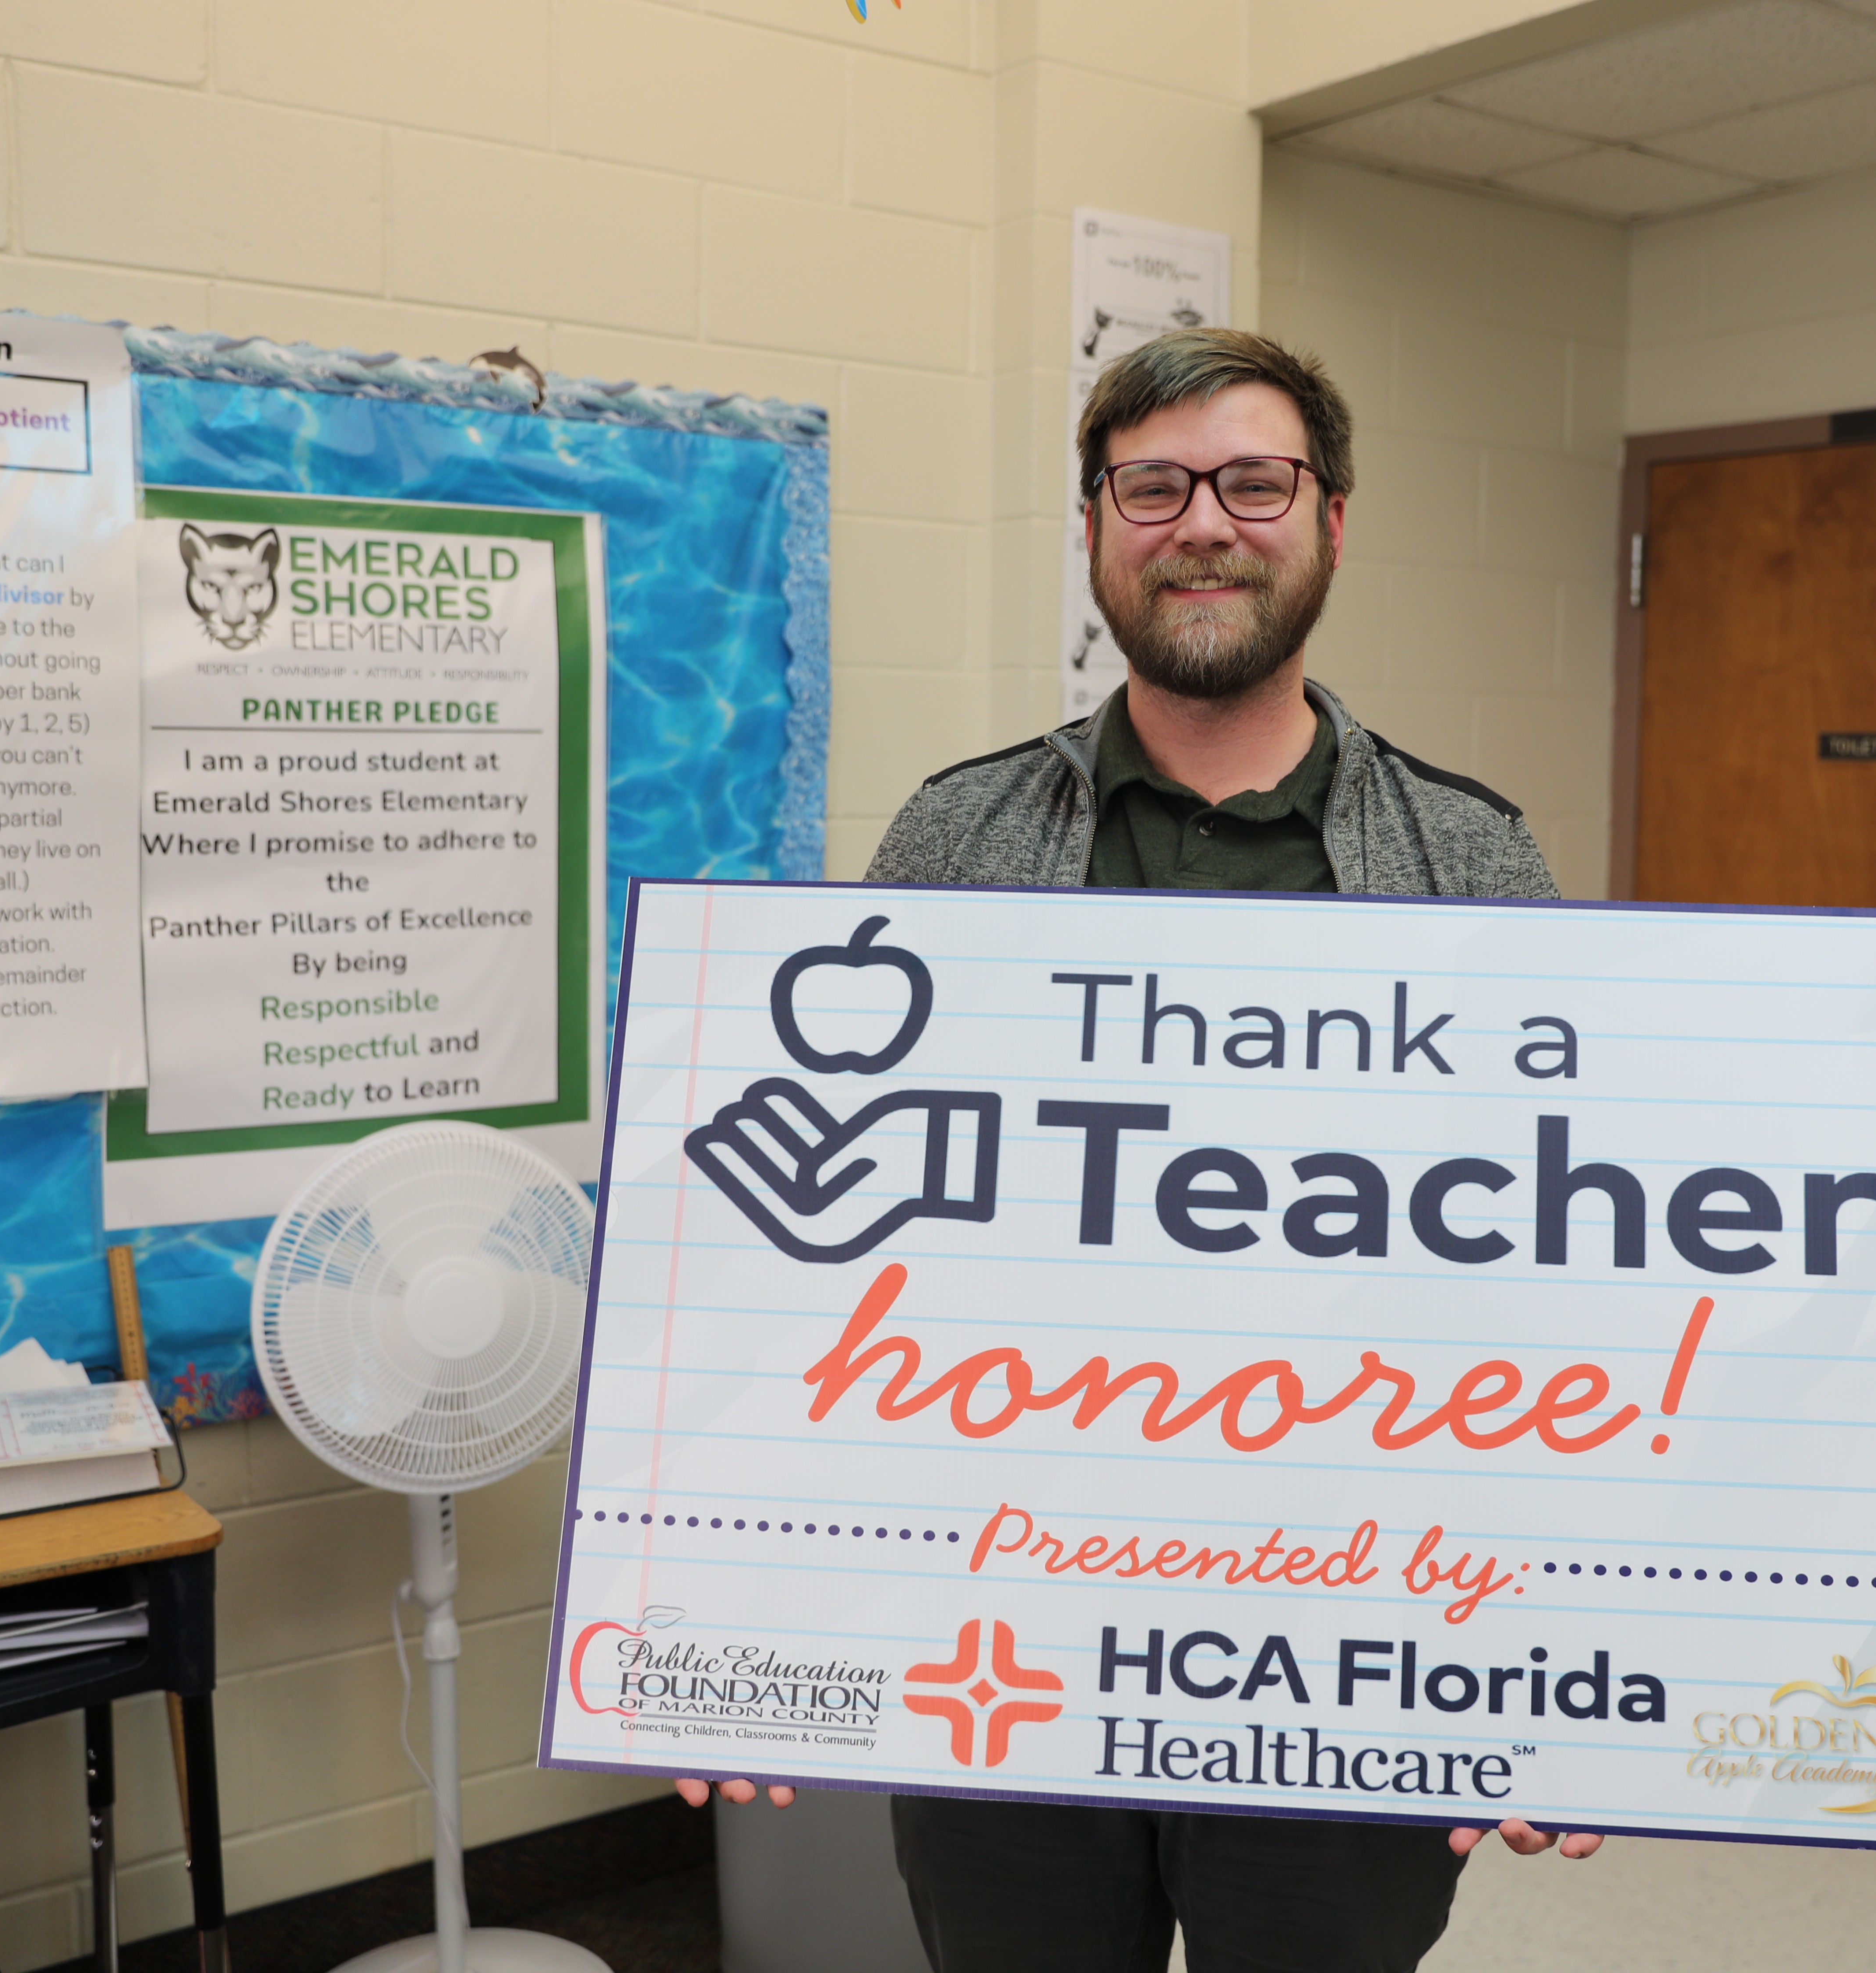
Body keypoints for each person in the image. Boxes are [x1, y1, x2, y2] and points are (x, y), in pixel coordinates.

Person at [675, 327, 1597, 1971]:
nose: (1205, 524)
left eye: (1256, 480)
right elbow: (818, 1252)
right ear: (1096, 529)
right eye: (1152, 485)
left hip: (1351, 1639)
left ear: (1330, 521)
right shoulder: (953, 843)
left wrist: (1577, 1654)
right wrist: (726, 1614)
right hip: (1004, 1628)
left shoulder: (1472, 860)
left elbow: (1560, 1280)